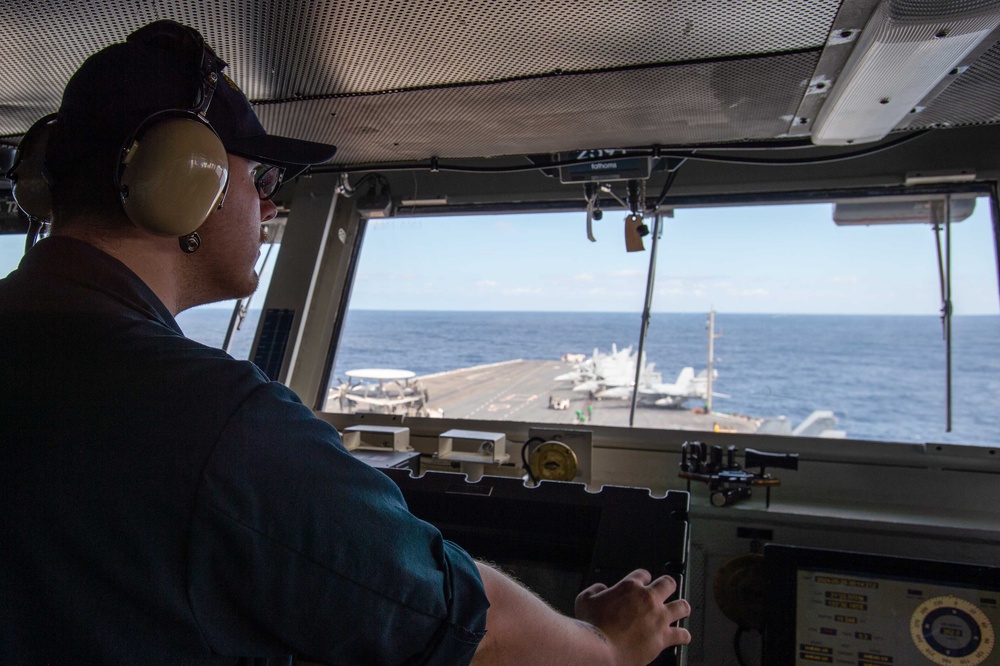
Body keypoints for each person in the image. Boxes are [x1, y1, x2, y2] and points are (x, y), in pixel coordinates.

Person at [0, 20, 691, 664]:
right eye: (260, 178)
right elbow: (462, 628)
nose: (270, 206)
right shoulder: (212, 419)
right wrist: (608, 645)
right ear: (187, 181)